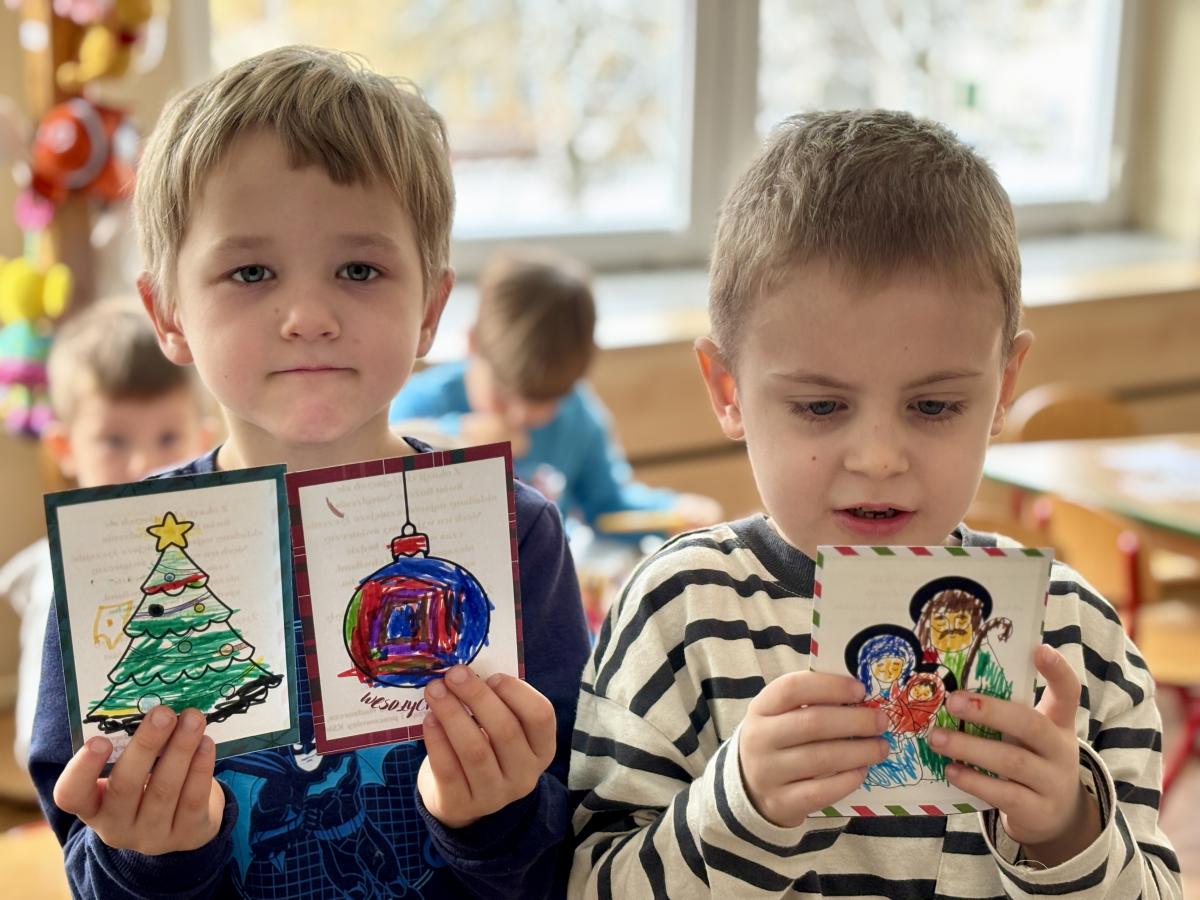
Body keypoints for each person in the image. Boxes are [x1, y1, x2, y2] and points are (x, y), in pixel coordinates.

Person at [569, 110, 1181, 897]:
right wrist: (739, 808)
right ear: (728, 389)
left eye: (934, 406)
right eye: (822, 407)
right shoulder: (677, 615)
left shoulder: (1074, 640)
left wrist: (1069, 831)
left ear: (1003, 387)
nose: (880, 458)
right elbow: (592, 885)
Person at [29, 46, 590, 899]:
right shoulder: (118, 563)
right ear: (167, 313)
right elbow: (87, 864)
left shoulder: (517, 537)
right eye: (250, 272)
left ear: (431, 310)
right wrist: (152, 857)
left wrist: (497, 819)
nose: (308, 316)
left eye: (359, 270)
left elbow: (572, 849)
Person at [0, 297, 212, 769]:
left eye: (168, 438)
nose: (143, 466)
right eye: (114, 441)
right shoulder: (56, 578)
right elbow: (38, 739)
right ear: (65, 448)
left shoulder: (212, 553)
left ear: (203, 442)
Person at [388, 248, 722, 538]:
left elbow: (607, 506)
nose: (520, 416)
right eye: (503, 396)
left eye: (544, 402)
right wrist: (453, 440)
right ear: (473, 343)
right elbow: (387, 476)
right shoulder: (421, 406)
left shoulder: (576, 416)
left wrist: (672, 511)